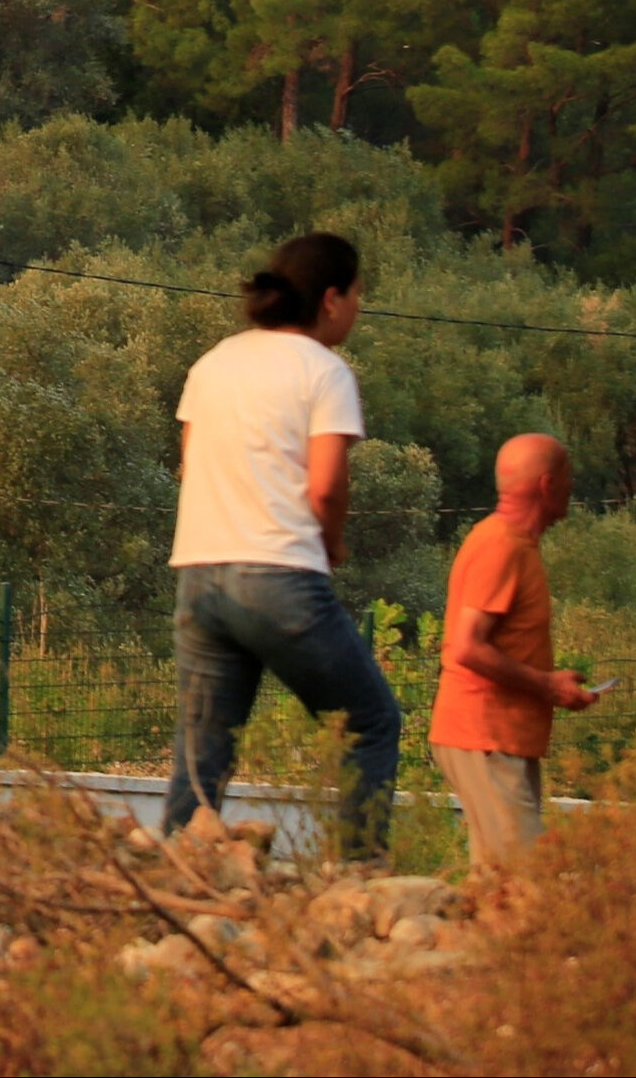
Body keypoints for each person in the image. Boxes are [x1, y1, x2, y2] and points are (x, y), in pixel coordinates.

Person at [160, 232, 403, 857]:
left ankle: (176, 873)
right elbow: (325, 487)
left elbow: (189, 466)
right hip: (278, 575)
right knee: (369, 722)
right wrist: (333, 544)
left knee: (202, 750)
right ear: (330, 300)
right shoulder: (325, 372)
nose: (357, 307)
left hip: (198, 568)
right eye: (356, 294)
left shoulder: (214, 362)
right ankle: (359, 874)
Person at [432, 433, 600, 864]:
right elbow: (466, 647)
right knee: (527, 880)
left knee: (495, 886)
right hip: (484, 736)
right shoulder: (500, 545)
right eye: (568, 476)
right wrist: (546, 686)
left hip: (500, 740)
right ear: (547, 485)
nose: (572, 486)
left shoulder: (513, 544)